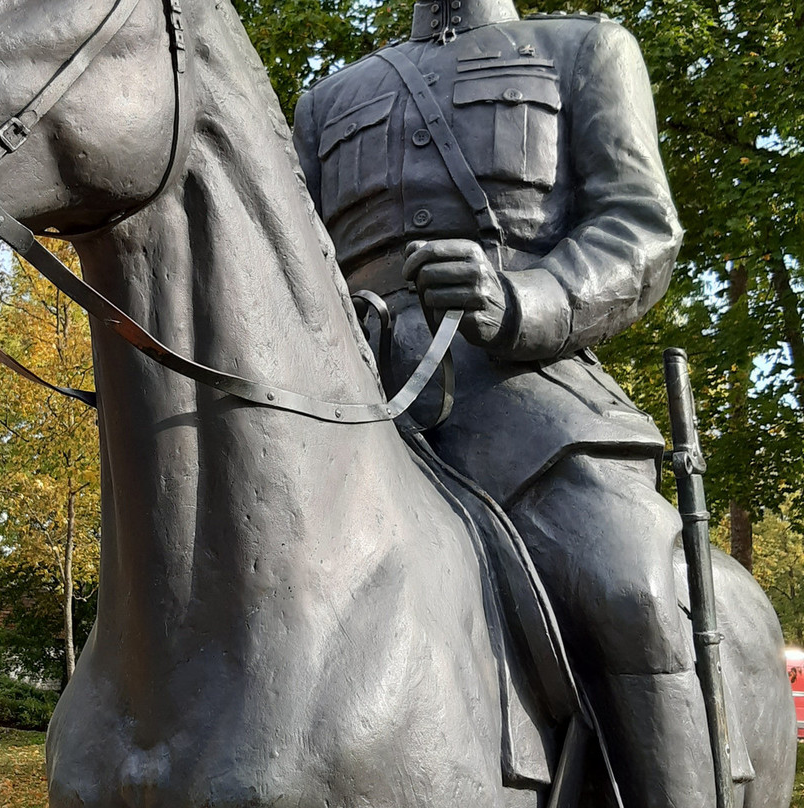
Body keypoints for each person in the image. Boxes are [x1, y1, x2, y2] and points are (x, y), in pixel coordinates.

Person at [293, 2, 743, 805]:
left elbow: (640, 228)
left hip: (526, 394)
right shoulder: (329, 99)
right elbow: (286, 256)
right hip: (351, 397)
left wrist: (526, 300)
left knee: (625, 588)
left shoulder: (585, 49)